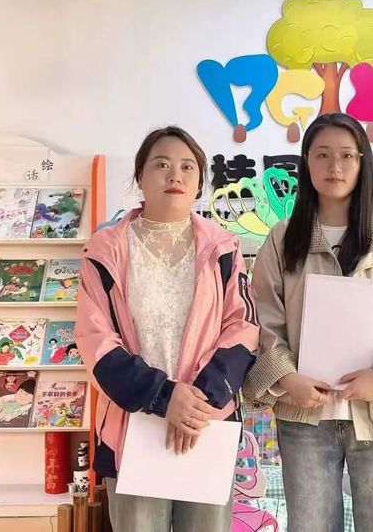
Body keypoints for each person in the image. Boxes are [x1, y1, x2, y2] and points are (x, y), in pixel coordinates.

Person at [243, 112, 373, 532]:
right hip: (305, 417)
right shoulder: (283, 239)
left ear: (362, 163)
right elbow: (262, 317)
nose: (334, 166)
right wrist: (287, 377)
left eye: (347, 156)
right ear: (306, 163)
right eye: (322, 155)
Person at [75, 125, 259, 532]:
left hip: (206, 424)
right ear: (140, 176)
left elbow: (243, 327)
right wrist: (163, 396)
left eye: (187, 167)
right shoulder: (105, 251)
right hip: (132, 426)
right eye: (161, 165)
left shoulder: (224, 248)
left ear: (199, 183)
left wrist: (196, 403)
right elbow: (95, 339)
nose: (175, 175)